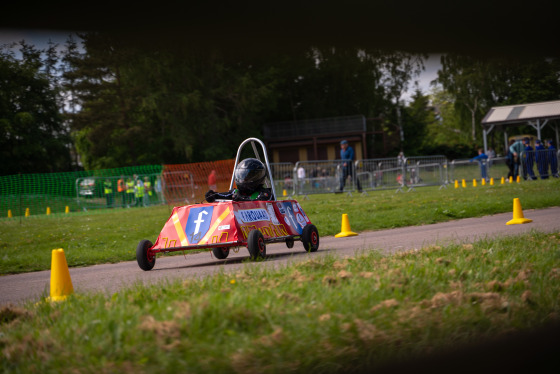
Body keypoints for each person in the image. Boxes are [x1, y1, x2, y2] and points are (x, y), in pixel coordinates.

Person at [205, 158, 274, 202]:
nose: (244, 179)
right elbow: (225, 195)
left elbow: (258, 203)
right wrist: (213, 195)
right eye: (242, 175)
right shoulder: (237, 193)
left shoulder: (265, 194)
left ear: (258, 176)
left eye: (248, 176)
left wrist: (241, 199)